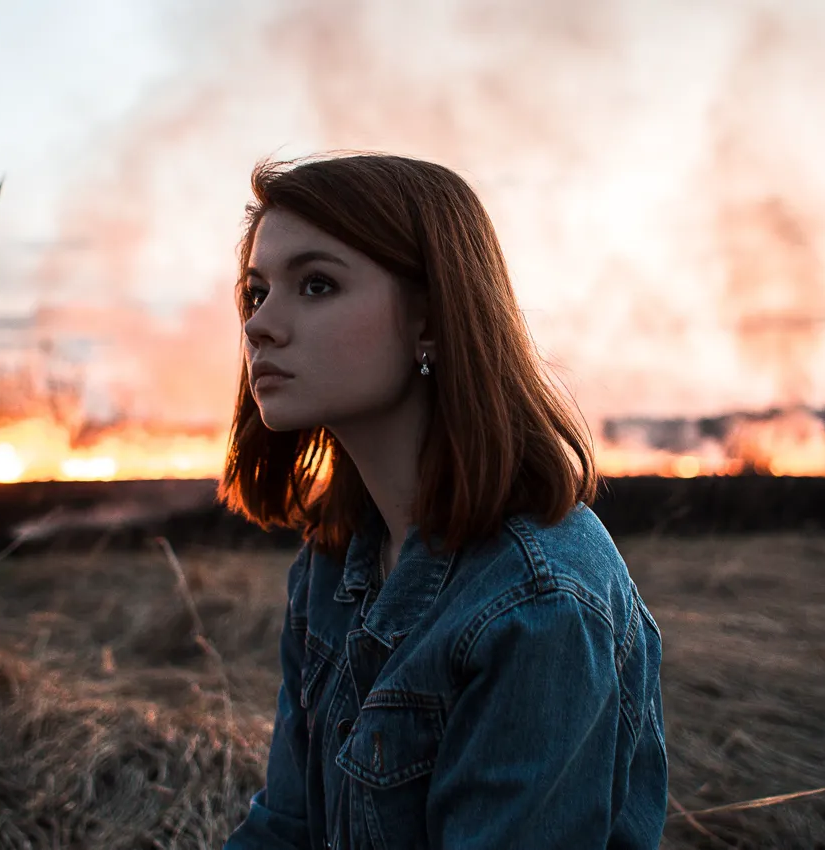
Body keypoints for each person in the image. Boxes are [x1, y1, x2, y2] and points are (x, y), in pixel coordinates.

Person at [219, 153, 666, 849]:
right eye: (255, 293)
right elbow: (284, 830)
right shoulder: (332, 566)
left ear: (429, 319)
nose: (259, 326)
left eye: (315, 284)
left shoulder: (539, 604)